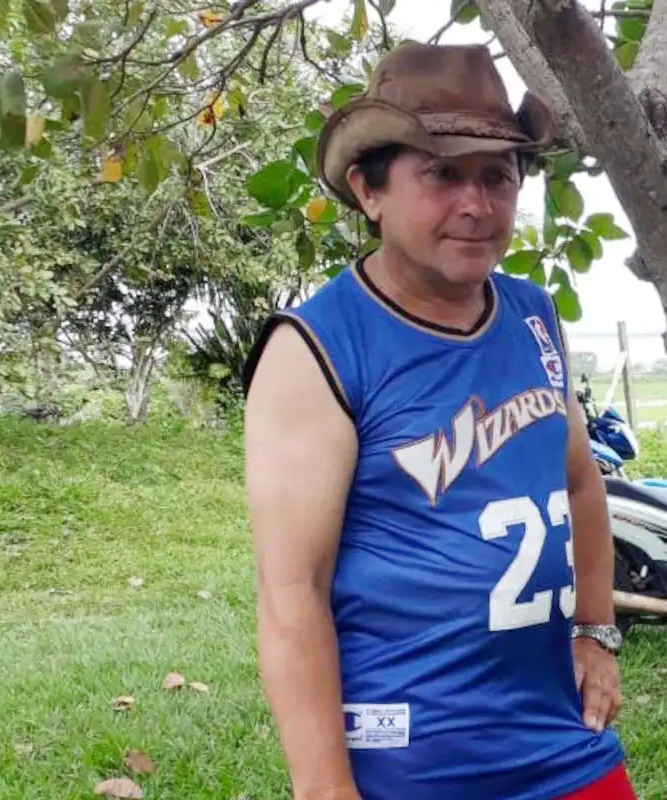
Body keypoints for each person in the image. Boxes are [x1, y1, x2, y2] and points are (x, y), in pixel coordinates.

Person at [241, 41, 636, 800]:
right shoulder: (318, 349)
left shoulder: (533, 315)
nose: (476, 205)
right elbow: (292, 594)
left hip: (562, 739)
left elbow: (582, 484)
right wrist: (326, 790)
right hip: (412, 763)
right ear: (369, 190)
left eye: (497, 176)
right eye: (442, 174)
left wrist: (596, 630)